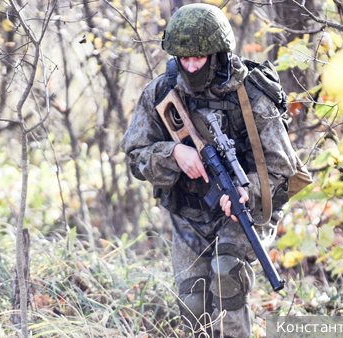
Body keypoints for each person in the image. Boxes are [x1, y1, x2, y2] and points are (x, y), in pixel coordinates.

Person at [121, 4, 297, 337]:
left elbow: (281, 166)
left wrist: (249, 191)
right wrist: (173, 153)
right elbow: (135, 156)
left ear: (217, 55)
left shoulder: (252, 94)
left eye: (198, 59)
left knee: (227, 278)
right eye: (183, 59)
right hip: (190, 211)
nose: (189, 66)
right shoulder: (161, 92)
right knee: (192, 302)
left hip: (248, 206)